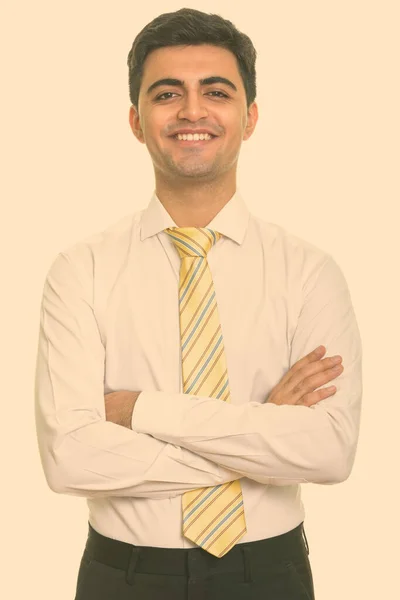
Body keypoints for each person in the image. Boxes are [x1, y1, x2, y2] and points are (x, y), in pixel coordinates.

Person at [34, 7, 362, 600]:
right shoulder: (79, 270)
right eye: (167, 94)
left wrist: (139, 410)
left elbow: (329, 451)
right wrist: (264, 432)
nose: (192, 111)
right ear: (136, 121)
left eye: (216, 91)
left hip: (269, 575)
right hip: (123, 577)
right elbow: (70, 459)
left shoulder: (311, 272)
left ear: (250, 116)